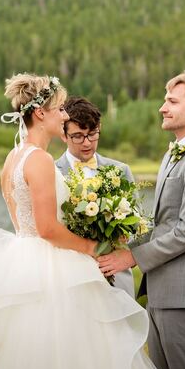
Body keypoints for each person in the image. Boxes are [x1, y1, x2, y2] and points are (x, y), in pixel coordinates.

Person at [0, 73, 159, 369]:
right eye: (60, 108)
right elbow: (46, 228)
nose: (64, 115)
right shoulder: (41, 160)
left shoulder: (14, 156)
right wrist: (91, 247)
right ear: (40, 113)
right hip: (47, 266)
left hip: (20, 260)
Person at [98, 71, 185, 369]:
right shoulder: (176, 153)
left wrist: (131, 257)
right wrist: (120, 245)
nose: (162, 107)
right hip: (162, 289)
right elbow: (165, 223)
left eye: (171, 100)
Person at [55, 95, 136, 297]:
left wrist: (123, 237)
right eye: (78, 136)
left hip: (114, 277)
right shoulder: (51, 173)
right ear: (63, 135)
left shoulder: (120, 170)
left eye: (92, 134)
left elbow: (137, 226)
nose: (87, 143)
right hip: (67, 278)